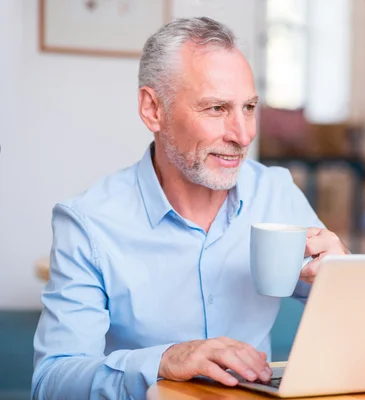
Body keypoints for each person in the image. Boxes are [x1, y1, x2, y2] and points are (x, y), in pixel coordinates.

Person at [32, 16, 348, 400]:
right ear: (153, 110)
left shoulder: (274, 192)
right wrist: (164, 360)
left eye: (248, 107)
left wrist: (345, 278)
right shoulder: (88, 222)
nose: (243, 134)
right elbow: (51, 382)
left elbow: (354, 319)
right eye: (216, 108)